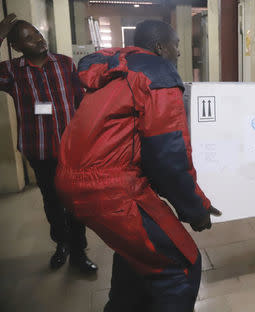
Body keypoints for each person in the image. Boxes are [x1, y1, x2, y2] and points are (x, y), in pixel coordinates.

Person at [55, 20, 221, 311]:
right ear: (160, 47)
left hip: (76, 179)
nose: (179, 54)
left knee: (138, 256)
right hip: (112, 187)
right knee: (181, 267)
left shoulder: (115, 68)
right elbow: (168, 157)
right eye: (176, 46)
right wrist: (195, 210)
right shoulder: (158, 74)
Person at [0, 14, 97, 273]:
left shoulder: (65, 64)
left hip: (71, 149)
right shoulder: (11, 72)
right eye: (28, 38)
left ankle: (79, 252)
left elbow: (80, 100)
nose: (38, 39)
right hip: (40, 150)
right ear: (17, 48)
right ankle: (61, 244)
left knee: (76, 202)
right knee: (52, 201)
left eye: (37, 33)